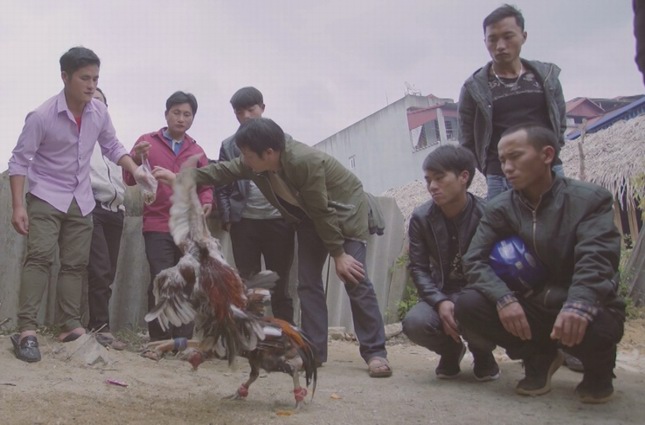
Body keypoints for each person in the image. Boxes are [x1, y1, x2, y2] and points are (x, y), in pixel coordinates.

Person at [153, 117, 392, 377]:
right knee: (308, 283)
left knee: (355, 279)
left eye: (247, 154)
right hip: (309, 217)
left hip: (344, 215)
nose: (244, 159)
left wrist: (339, 254)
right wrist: (180, 178)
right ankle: (313, 353)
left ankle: (375, 352)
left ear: (269, 153)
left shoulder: (304, 162)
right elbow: (221, 171)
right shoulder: (257, 164)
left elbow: (323, 211)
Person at [454, 124, 625, 404]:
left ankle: (598, 370)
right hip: (529, 303)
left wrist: (577, 304)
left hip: (581, 303)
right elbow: (474, 260)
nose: (507, 167)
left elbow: (596, 260)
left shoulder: (588, 200)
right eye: (503, 160)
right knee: (469, 304)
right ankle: (539, 357)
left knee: (599, 323)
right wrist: (503, 299)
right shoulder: (499, 207)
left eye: (516, 156)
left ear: (547, 155)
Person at [8, 47, 141, 362]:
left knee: (75, 265)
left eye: (95, 78)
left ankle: (70, 325)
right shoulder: (42, 116)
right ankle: (27, 329)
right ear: (65, 77)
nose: (92, 85)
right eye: (85, 78)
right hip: (46, 197)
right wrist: (18, 206)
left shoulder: (99, 113)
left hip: (82, 200)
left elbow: (111, 145)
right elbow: (19, 161)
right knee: (39, 259)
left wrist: (136, 170)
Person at [402, 145, 499, 381]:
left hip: (479, 295)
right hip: (441, 290)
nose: (432, 186)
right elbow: (418, 268)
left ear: (464, 176)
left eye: (439, 178)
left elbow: (497, 267)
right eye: (428, 180)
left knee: (469, 306)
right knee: (414, 322)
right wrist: (439, 301)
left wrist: (468, 300)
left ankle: (482, 352)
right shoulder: (421, 217)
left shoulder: (489, 214)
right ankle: (450, 351)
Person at [123, 91, 212, 342]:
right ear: (166, 114)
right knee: (162, 280)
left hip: (188, 228)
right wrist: (135, 156)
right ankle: (160, 341)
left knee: (187, 281)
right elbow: (130, 179)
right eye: (176, 113)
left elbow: (206, 185)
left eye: (187, 114)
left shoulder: (197, 151)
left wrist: (207, 202)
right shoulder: (146, 142)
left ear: (193, 118)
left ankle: (182, 341)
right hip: (157, 224)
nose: (181, 119)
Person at [458, 3, 566, 201]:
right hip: (500, 178)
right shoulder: (473, 88)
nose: (500, 46)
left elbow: (560, 124)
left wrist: (545, 158)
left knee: (560, 226)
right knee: (506, 231)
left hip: (549, 169)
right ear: (485, 42)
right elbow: (467, 142)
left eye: (508, 37)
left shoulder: (546, 77)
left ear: (523, 36)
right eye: (492, 39)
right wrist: (490, 168)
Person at [214, 87, 294, 323]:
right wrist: (228, 216)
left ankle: (285, 338)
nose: (247, 116)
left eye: (252, 109)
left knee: (280, 285)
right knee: (246, 285)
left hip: (279, 221)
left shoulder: (282, 140)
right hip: (244, 223)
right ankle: (250, 338)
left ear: (263, 108)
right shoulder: (229, 145)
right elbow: (221, 182)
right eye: (240, 112)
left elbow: (294, 178)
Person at [86, 88, 127, 350]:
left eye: (102, 103)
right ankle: (100, 327)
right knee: (99, 268)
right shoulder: (80, 141)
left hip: (117, 211)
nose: (97, 107)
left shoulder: (113, 146)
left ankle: (98, 324)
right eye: (92, 102)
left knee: (108, 271)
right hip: (93, 207)